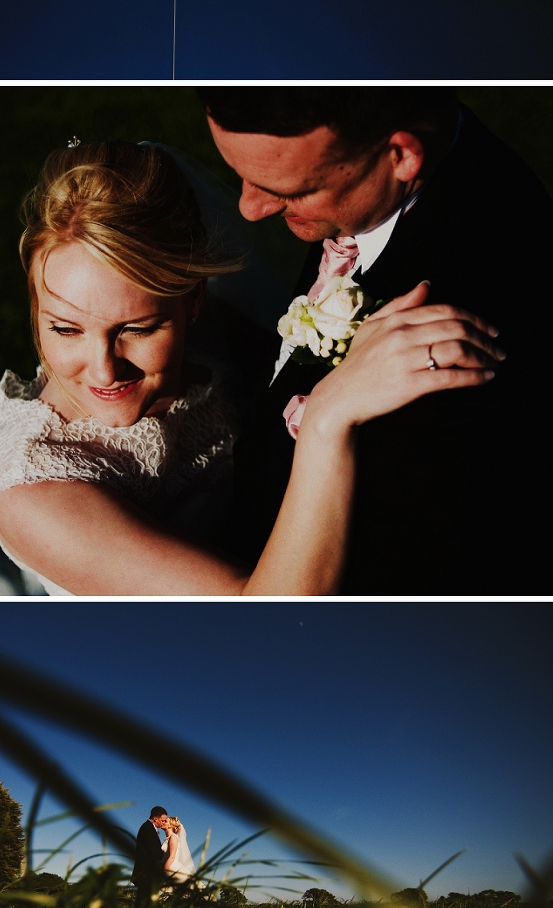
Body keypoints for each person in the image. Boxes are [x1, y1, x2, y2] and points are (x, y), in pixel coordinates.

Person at [0, 140, 500, 595]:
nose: (103, 371)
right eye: (64, 329)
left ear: (193, 301)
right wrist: (326, 417)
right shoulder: (36, 497)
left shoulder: (213, 332)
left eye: (137, 329)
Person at [203, 87, 552, 595]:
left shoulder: (452, 333)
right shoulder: (411, 176)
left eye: (289, 190)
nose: (250, 208)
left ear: (401, 156)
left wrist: (325, 414)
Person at [132, 806, 173, 894]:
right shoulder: (147, 828)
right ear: (155, 819)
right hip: (145, 874)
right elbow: (153, 853)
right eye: (162, 821)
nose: (163, 823)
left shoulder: (149, 827)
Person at [164, 816, 196, 883]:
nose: (163, 822)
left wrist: (164, 870)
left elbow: (172, 857)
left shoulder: (173, 838)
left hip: (171, 868)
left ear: (171, 826)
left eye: (165, 821)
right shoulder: (168, 838)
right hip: (169, 867)